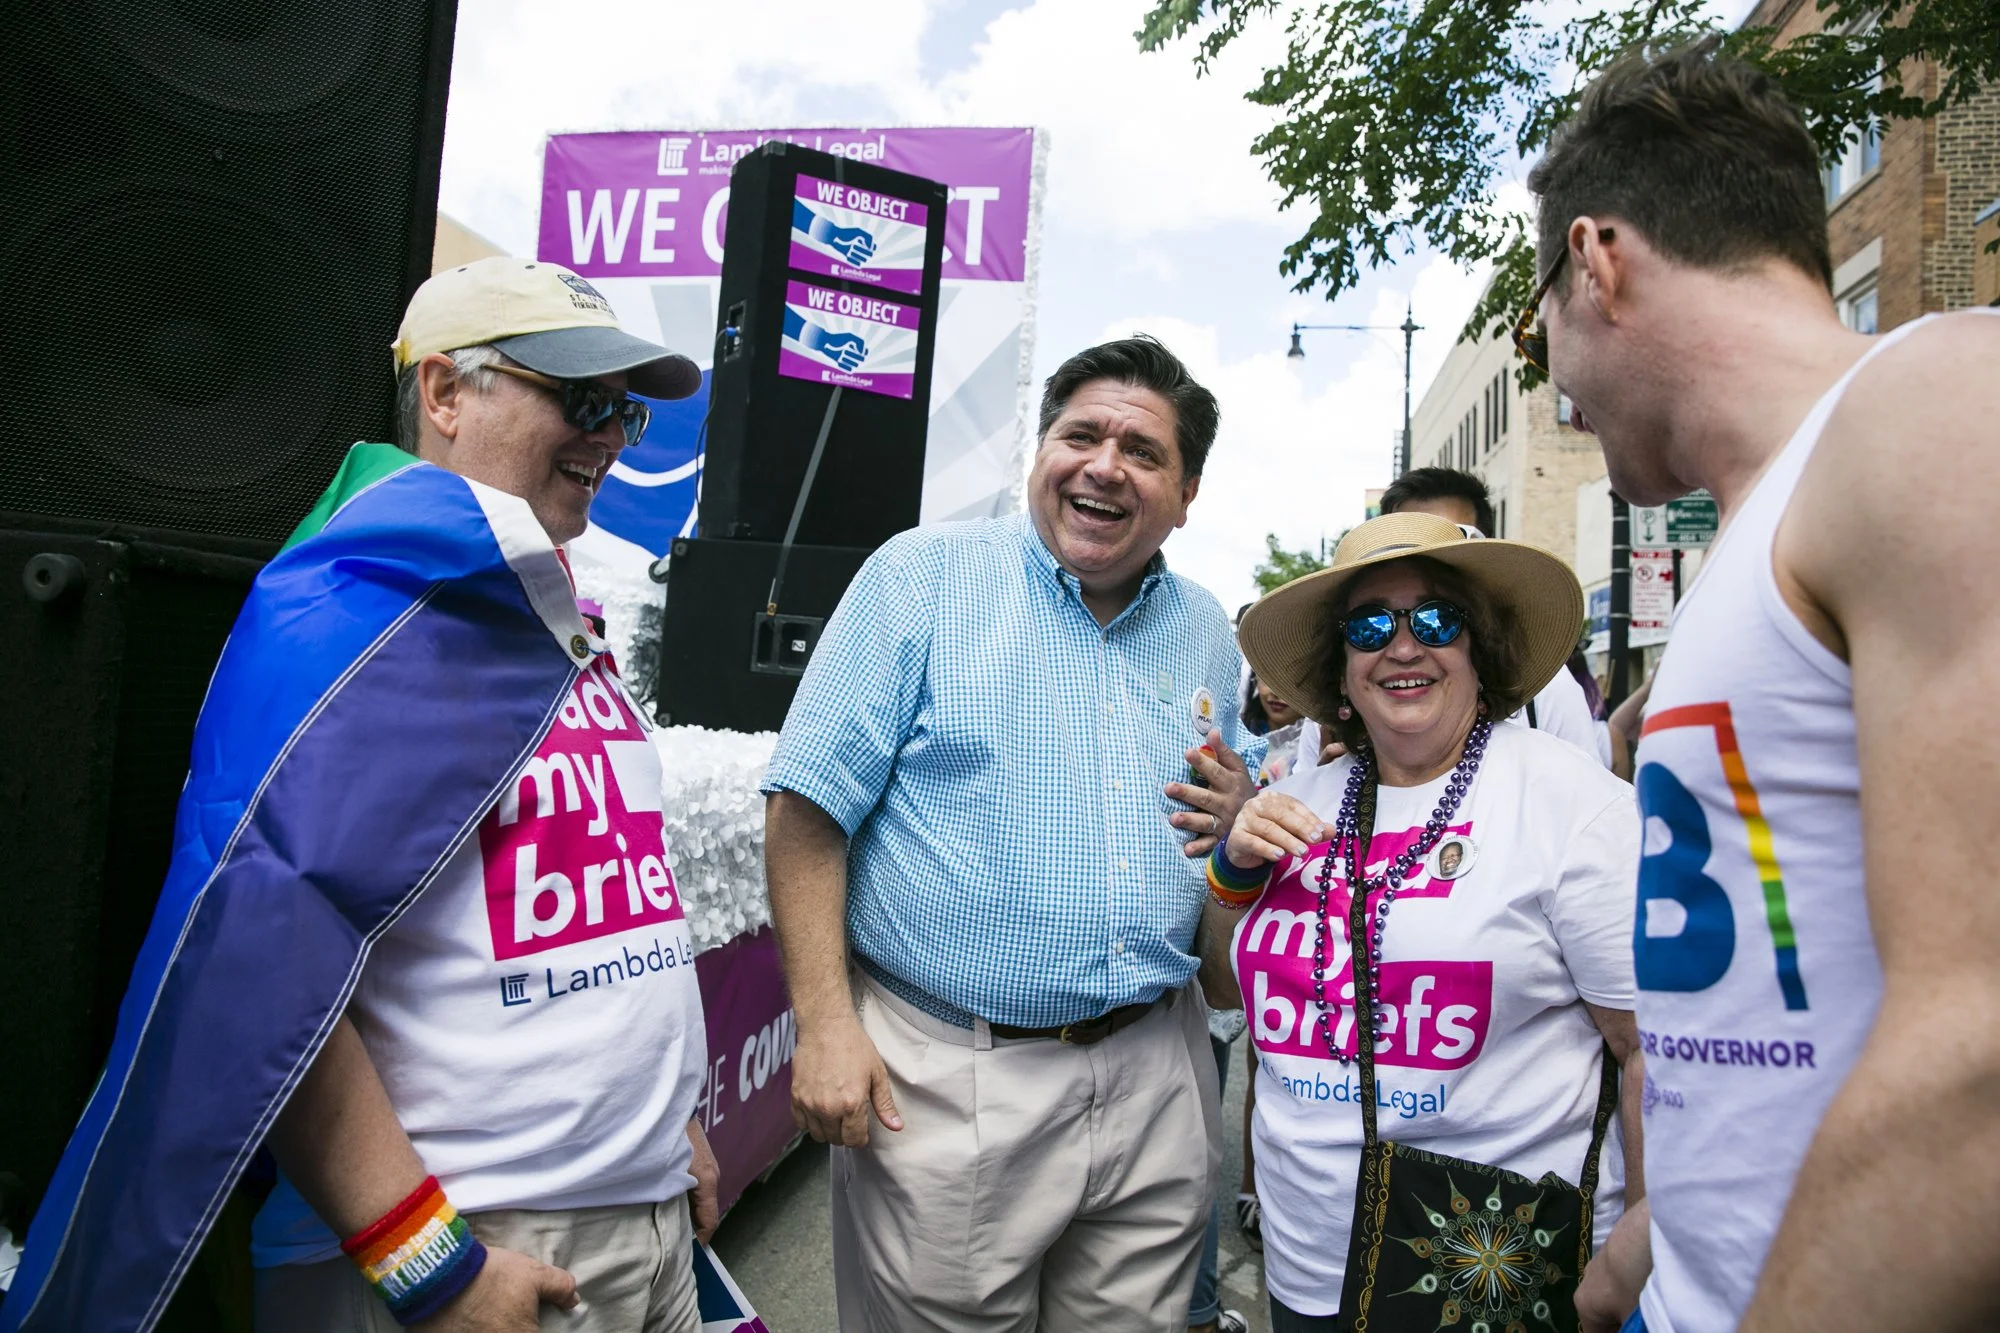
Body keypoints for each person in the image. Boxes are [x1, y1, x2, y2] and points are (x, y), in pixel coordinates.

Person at [1, 257, 718, 1333]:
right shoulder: (347, 615)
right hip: (474, 1242)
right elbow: (263, 967)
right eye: (577, 401)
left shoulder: (535, 602)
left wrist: (674, 1132)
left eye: (618, 410)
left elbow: (609, 889)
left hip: (635, 1214)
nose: (608, 438)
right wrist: (431, 1262)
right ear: (443, 394)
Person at [1520, 38, 2000, 1333]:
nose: (1556, 396)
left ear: (1595, 261)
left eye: (1539, 331)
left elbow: (1981, 1058)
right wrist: (1661, 1243)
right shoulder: (1768, 525)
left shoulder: (1940, 400)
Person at [761, 335, 1261, 1332]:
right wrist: (823, 1025)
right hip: (951, 1074)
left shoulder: (1205, 626)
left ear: (1186, 491)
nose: (1103, 465)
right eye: (1080, 434)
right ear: (1040, 450)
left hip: (1157, 1067)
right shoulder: (920, 578)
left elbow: (1209, 842)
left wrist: (1237, 822)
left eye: (1142, 450)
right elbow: (806, 809)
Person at [1204, 512, 1645, 1331]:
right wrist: (1231, 874)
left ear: (1480, 646)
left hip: (1488, 1265)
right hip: (1307, 1264)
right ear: (1342, 665)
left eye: (1435, 619)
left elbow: (1652, 1044)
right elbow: (1227, 986)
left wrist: (1643, 1242)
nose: (1402, 646)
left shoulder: (1573, 807)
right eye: (1371, 624)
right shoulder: (1297, 807)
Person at [1378, 466, 1602, 758]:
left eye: (1451, 544)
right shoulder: (1359, 684)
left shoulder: (1545, 689)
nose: (1430, 564)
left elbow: (1585, 795)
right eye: (1408, 547)